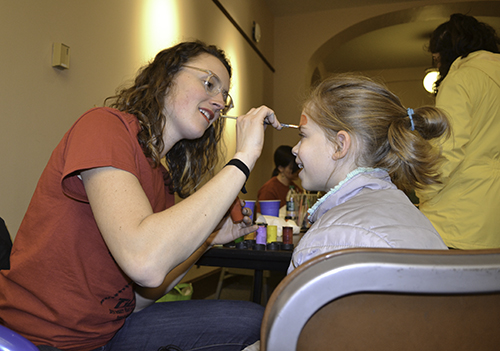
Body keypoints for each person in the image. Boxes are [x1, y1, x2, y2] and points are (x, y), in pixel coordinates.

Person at [0, 41, 283, 351]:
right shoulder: (104, 126)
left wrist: (208, 239)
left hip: (107, 332)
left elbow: (138, 297)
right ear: (166, 77)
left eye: (224, 96)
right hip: (39, 339)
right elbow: (143, 260)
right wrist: (244, 157)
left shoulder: (161, 182)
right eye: (208, 83)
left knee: (260, 320)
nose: (218, 102)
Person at [287, 74, 449, 273]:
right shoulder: (416, 217)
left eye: (303, 135)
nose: (295, 149)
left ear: (340, 145)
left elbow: (298, 305)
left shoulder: (327, 240)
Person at [416, 13, 500, 249]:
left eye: (436, 57)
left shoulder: (461, 78)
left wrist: (423, 191)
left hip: (457, 217)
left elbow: (446, 148)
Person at [256, 145, 301, 213]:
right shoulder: (269, 189)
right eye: (292, 168)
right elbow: (262, 217)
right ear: (281, 168)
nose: (297, 171)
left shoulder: (296, 189)